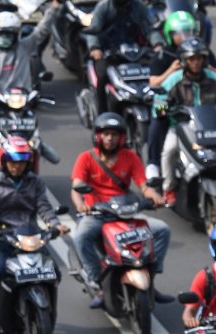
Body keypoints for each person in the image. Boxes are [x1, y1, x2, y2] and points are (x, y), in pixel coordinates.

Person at [70, 112, 172, 309]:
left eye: (114, 134)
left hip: (125, 212)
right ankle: (98, 282)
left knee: (162, 230)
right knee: (81, 237)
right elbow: (77, 188)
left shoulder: (130, 157)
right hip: (98, 214)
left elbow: (144, 186)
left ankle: (151, 276)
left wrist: (155, 197)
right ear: (98, 136)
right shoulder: (86, 158)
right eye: (106, 134)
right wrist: (81, 205)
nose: (110, 138)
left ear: (122, 137)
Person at [0, 136, 70, 329]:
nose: (17, 166)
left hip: (30, 236)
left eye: (21, 162)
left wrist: (55, 224)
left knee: (55, 272)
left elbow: (44, 207)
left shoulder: (35, 182)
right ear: (5, 161)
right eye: (13, 162)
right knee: (1, 269)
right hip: (3, 236)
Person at [156, 37, 216, 205]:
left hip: (214, 126)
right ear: (184, 60)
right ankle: (169, 188)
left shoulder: (215, 79)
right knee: (169, 151)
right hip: (183, 127)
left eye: (199, 58)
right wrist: (163, 108)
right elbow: (160, 100)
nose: (196, 62)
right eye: (191, 59)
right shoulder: (174, 80)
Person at [145, 11, 216, 179]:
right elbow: (153, 82)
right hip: (174, 106)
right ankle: (153, 164)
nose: (185, 37)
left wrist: (203, 67)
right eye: (179, 33)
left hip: (199, 106)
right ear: (169, 35)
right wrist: (171, 70)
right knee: (158, 127)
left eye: (188, 32)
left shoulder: (202, 51)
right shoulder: (163, 55)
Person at [85, 0, 164, 115]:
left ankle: (162, 111)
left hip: (136, 53)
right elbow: (93, 30)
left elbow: (151, 29)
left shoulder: (139, 7)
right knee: (101, 76)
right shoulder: (104, 7)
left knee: (161, 73)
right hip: (109, 54)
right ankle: (102, 115)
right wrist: (95, 48)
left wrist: (158, 44)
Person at [0, 5, 56, 98]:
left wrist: (53, 8)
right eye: (1, 35)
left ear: (16, 35)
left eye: (8, 35)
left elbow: (41, 31)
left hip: (22, 99)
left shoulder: (24, 46)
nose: (4, 39)